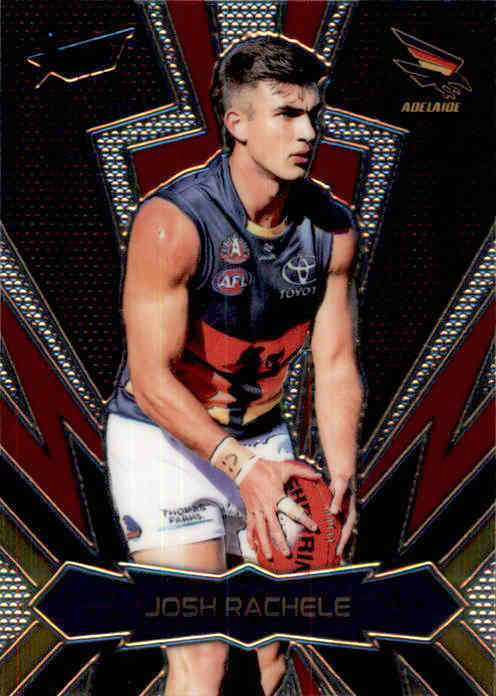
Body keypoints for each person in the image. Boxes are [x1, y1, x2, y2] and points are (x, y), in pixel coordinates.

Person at [106, 34, 363, 696]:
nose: (308, 133)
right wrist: (242, 470)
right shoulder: (172, 222)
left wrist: (341, 476)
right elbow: (151, 380)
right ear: (238, 122)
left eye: (313, 114)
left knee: (273, 647)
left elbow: (335, 361)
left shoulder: (332, 228)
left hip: (263, 437)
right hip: (163, 441)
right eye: (287, 114)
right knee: (203, 656)